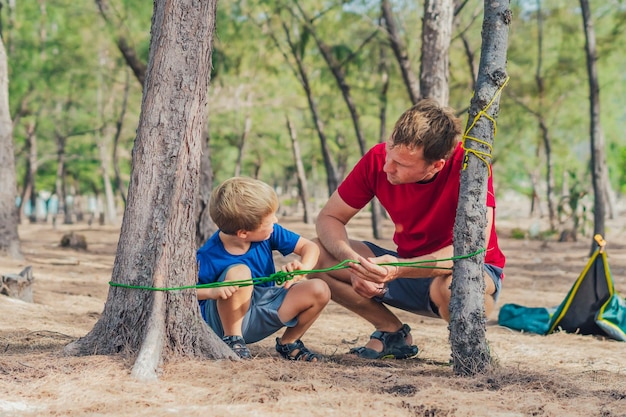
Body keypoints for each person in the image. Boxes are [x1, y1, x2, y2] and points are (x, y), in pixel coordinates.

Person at [312, 99, 506, 359]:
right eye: (389, 151)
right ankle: (391, 332)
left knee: (450, 287)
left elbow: (471, 250)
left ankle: (469, 352)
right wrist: (355, 264)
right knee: (314, 254)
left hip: (467, 271)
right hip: (403, 267)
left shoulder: (471, 167)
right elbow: (329, 217)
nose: (386, 167)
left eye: (401, 165)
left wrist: (397, 269)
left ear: (436, 165)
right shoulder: (378, 159)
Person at [197, 177, 330, 361]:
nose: (275, 221)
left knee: (319, 289)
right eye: (268, 221)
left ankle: (289, 343)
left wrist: (302, 269)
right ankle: (233, 340)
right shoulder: (207, 256)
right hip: (223, 321)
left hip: (263, 307)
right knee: (240, 272)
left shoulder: (270, 233)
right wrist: (212, 291)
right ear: (243, 233)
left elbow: (310, 248)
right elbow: (184, 292)